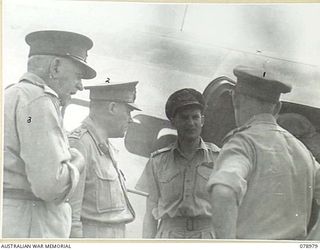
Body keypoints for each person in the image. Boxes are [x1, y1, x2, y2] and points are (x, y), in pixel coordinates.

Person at [207, 65, 320, 239]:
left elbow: (224, 192)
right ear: (277, 108)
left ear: (235, 100)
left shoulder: (243, 143)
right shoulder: (303, 151)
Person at [3, 30, 96, 238]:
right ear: (55, 67)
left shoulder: (12, 94)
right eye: (78, 76)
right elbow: (51, 186)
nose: (80, 86)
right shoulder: (39, 101)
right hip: (31, 227)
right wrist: (77, 162)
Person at [135, 88, 220, 239]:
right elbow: (150, 214)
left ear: (203, 121)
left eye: (195, 117)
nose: (191, 123)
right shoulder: (158, 161)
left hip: (207, 236)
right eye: (184, 117)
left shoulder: (219, 159)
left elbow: (229, 210)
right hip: (168, 235)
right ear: (173, 122)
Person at [68, 81, 140, 238]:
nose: (130, 119)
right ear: (112, 108)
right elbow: (70, 215)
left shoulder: (107, 147)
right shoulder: (80, 143)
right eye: (128, 112)